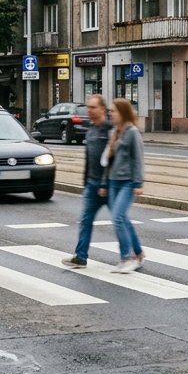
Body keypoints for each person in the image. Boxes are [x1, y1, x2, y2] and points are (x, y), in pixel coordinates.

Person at [62, 94, 113, 268]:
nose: (89, 111)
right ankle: (81, 256)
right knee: (85, 220)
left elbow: (112, 158)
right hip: (92, 184)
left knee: (121, 222)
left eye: (93, 108)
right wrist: (86, 181)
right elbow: (89, 157)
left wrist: (106, 183)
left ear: (103, 110)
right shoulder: (91, 129)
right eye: (88, 107)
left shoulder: (110, 130)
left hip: (110, 185)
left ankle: (135, 254)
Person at [106, 97, 146, 273]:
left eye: (113, 111)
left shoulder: (132, 133)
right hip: (114, 181)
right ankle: (138, 253)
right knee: (123, 219)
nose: (110, 114)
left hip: (128, 182)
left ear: (122, 113)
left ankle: (126, 257)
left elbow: (138, 159)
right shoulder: (116, 132)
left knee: (118, 218)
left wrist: (138, 182)